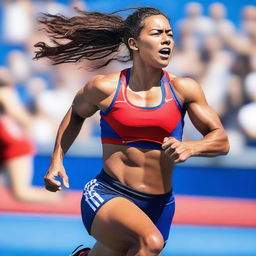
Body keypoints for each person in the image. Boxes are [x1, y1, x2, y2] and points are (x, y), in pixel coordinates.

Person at [34, 7, 230, 256]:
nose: (167, 39)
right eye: (157, 33)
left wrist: (192, 146)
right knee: (149, 242)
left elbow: (221, 141)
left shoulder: (184, 89)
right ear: (134, 43)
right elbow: (75, 114)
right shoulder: (104, 88)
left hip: (159, 205)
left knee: (135, 247)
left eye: (169, 34)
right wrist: (56, 160)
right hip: (108, 193)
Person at [0, 67, 62, 203]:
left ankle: (59, 199)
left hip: (14, 144)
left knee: (21, 192)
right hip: (6, 142)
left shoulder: (4, 93)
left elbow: (22, 119)